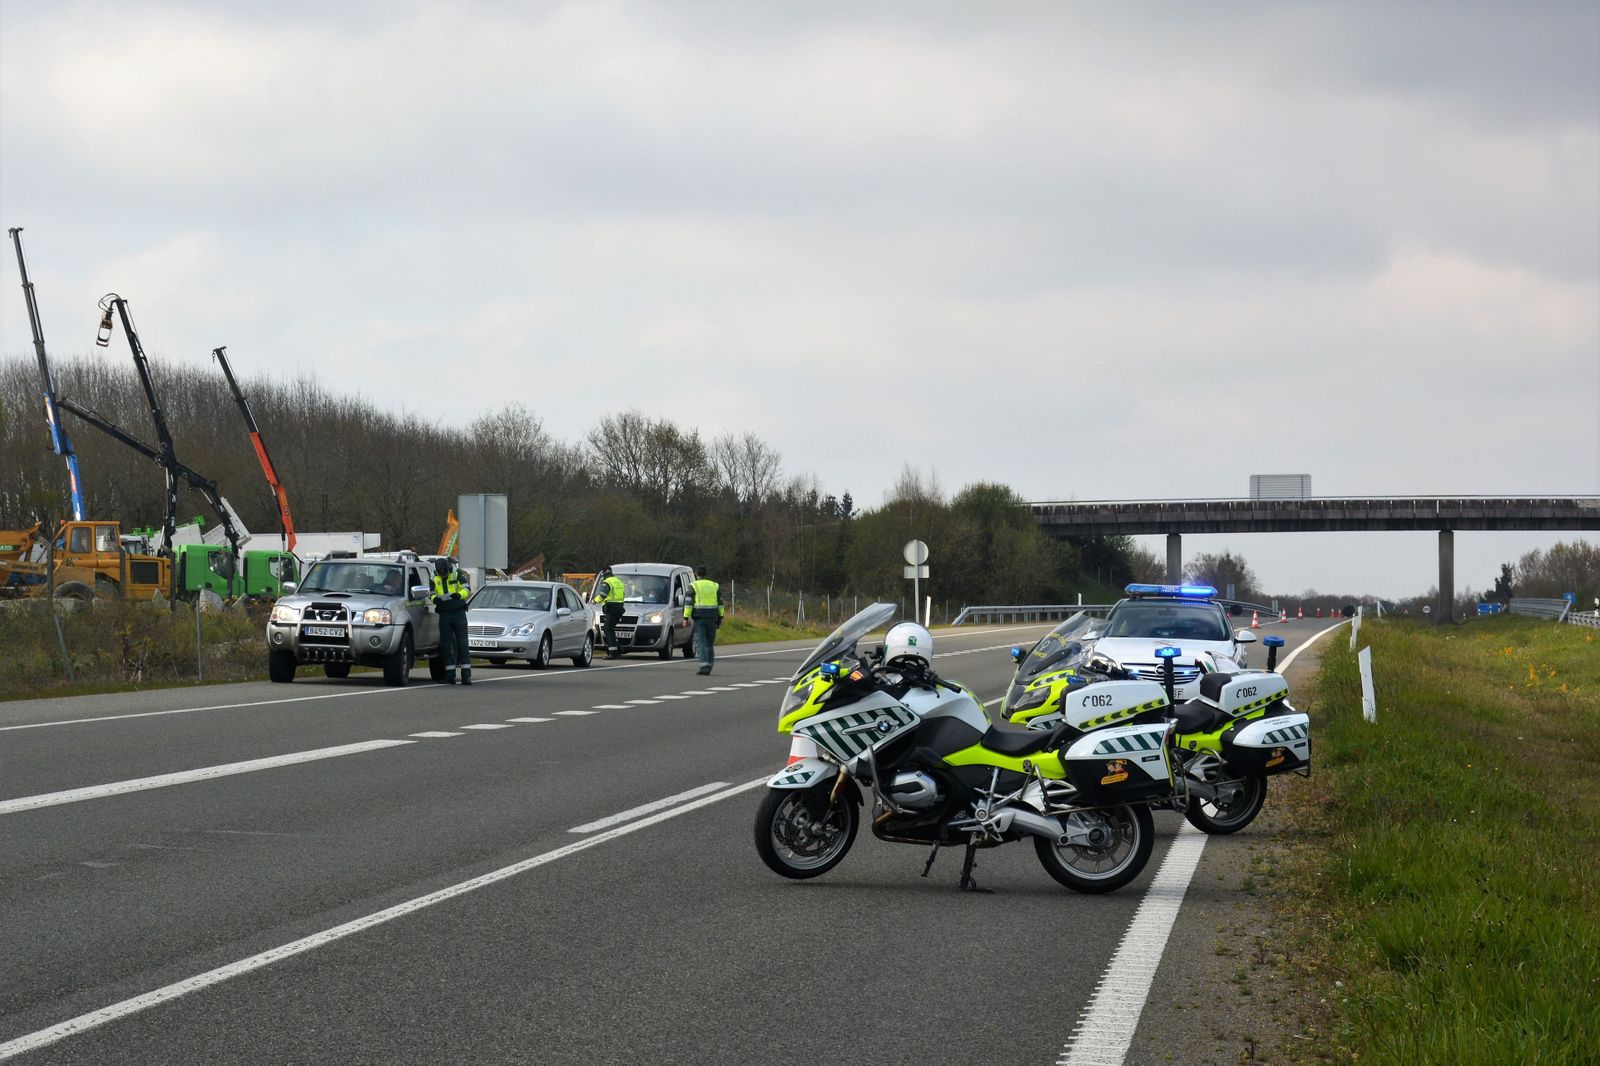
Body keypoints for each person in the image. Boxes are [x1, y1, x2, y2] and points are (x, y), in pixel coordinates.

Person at [432, 557, 472, 685]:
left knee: (462, 644)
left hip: (458, 611)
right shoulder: (434, 576)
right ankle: (450, 675)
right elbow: (431, 592)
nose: (442, 574)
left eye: (444, 572)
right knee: (446, 645)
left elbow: (467, 589)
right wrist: (434, 599)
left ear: (447, 568)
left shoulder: (456, 573)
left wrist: (459, 595)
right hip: (444, 613)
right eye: (440, 572)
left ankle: (466, 676)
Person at [684, 565, 724, 675]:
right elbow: (720, 603)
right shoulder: (714, 585)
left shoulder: (693, 586)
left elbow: (688, 603)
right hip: (712, 617)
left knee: (700, 642)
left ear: (696, 574)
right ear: (706, 573)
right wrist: (720, 617)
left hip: (699, 618)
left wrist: (686, 618)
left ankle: (704, 667)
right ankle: (710, 665)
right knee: (709, 643)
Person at [596, 567, 627, 659]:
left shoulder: (607, 582)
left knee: (607, 629)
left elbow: (602, 596)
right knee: (610, 629)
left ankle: (613, 653)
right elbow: (622, 595)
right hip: (619, 608)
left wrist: (593, 601)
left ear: (604, 574)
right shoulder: (618, 581)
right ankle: (618, 650)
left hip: (611, 608)